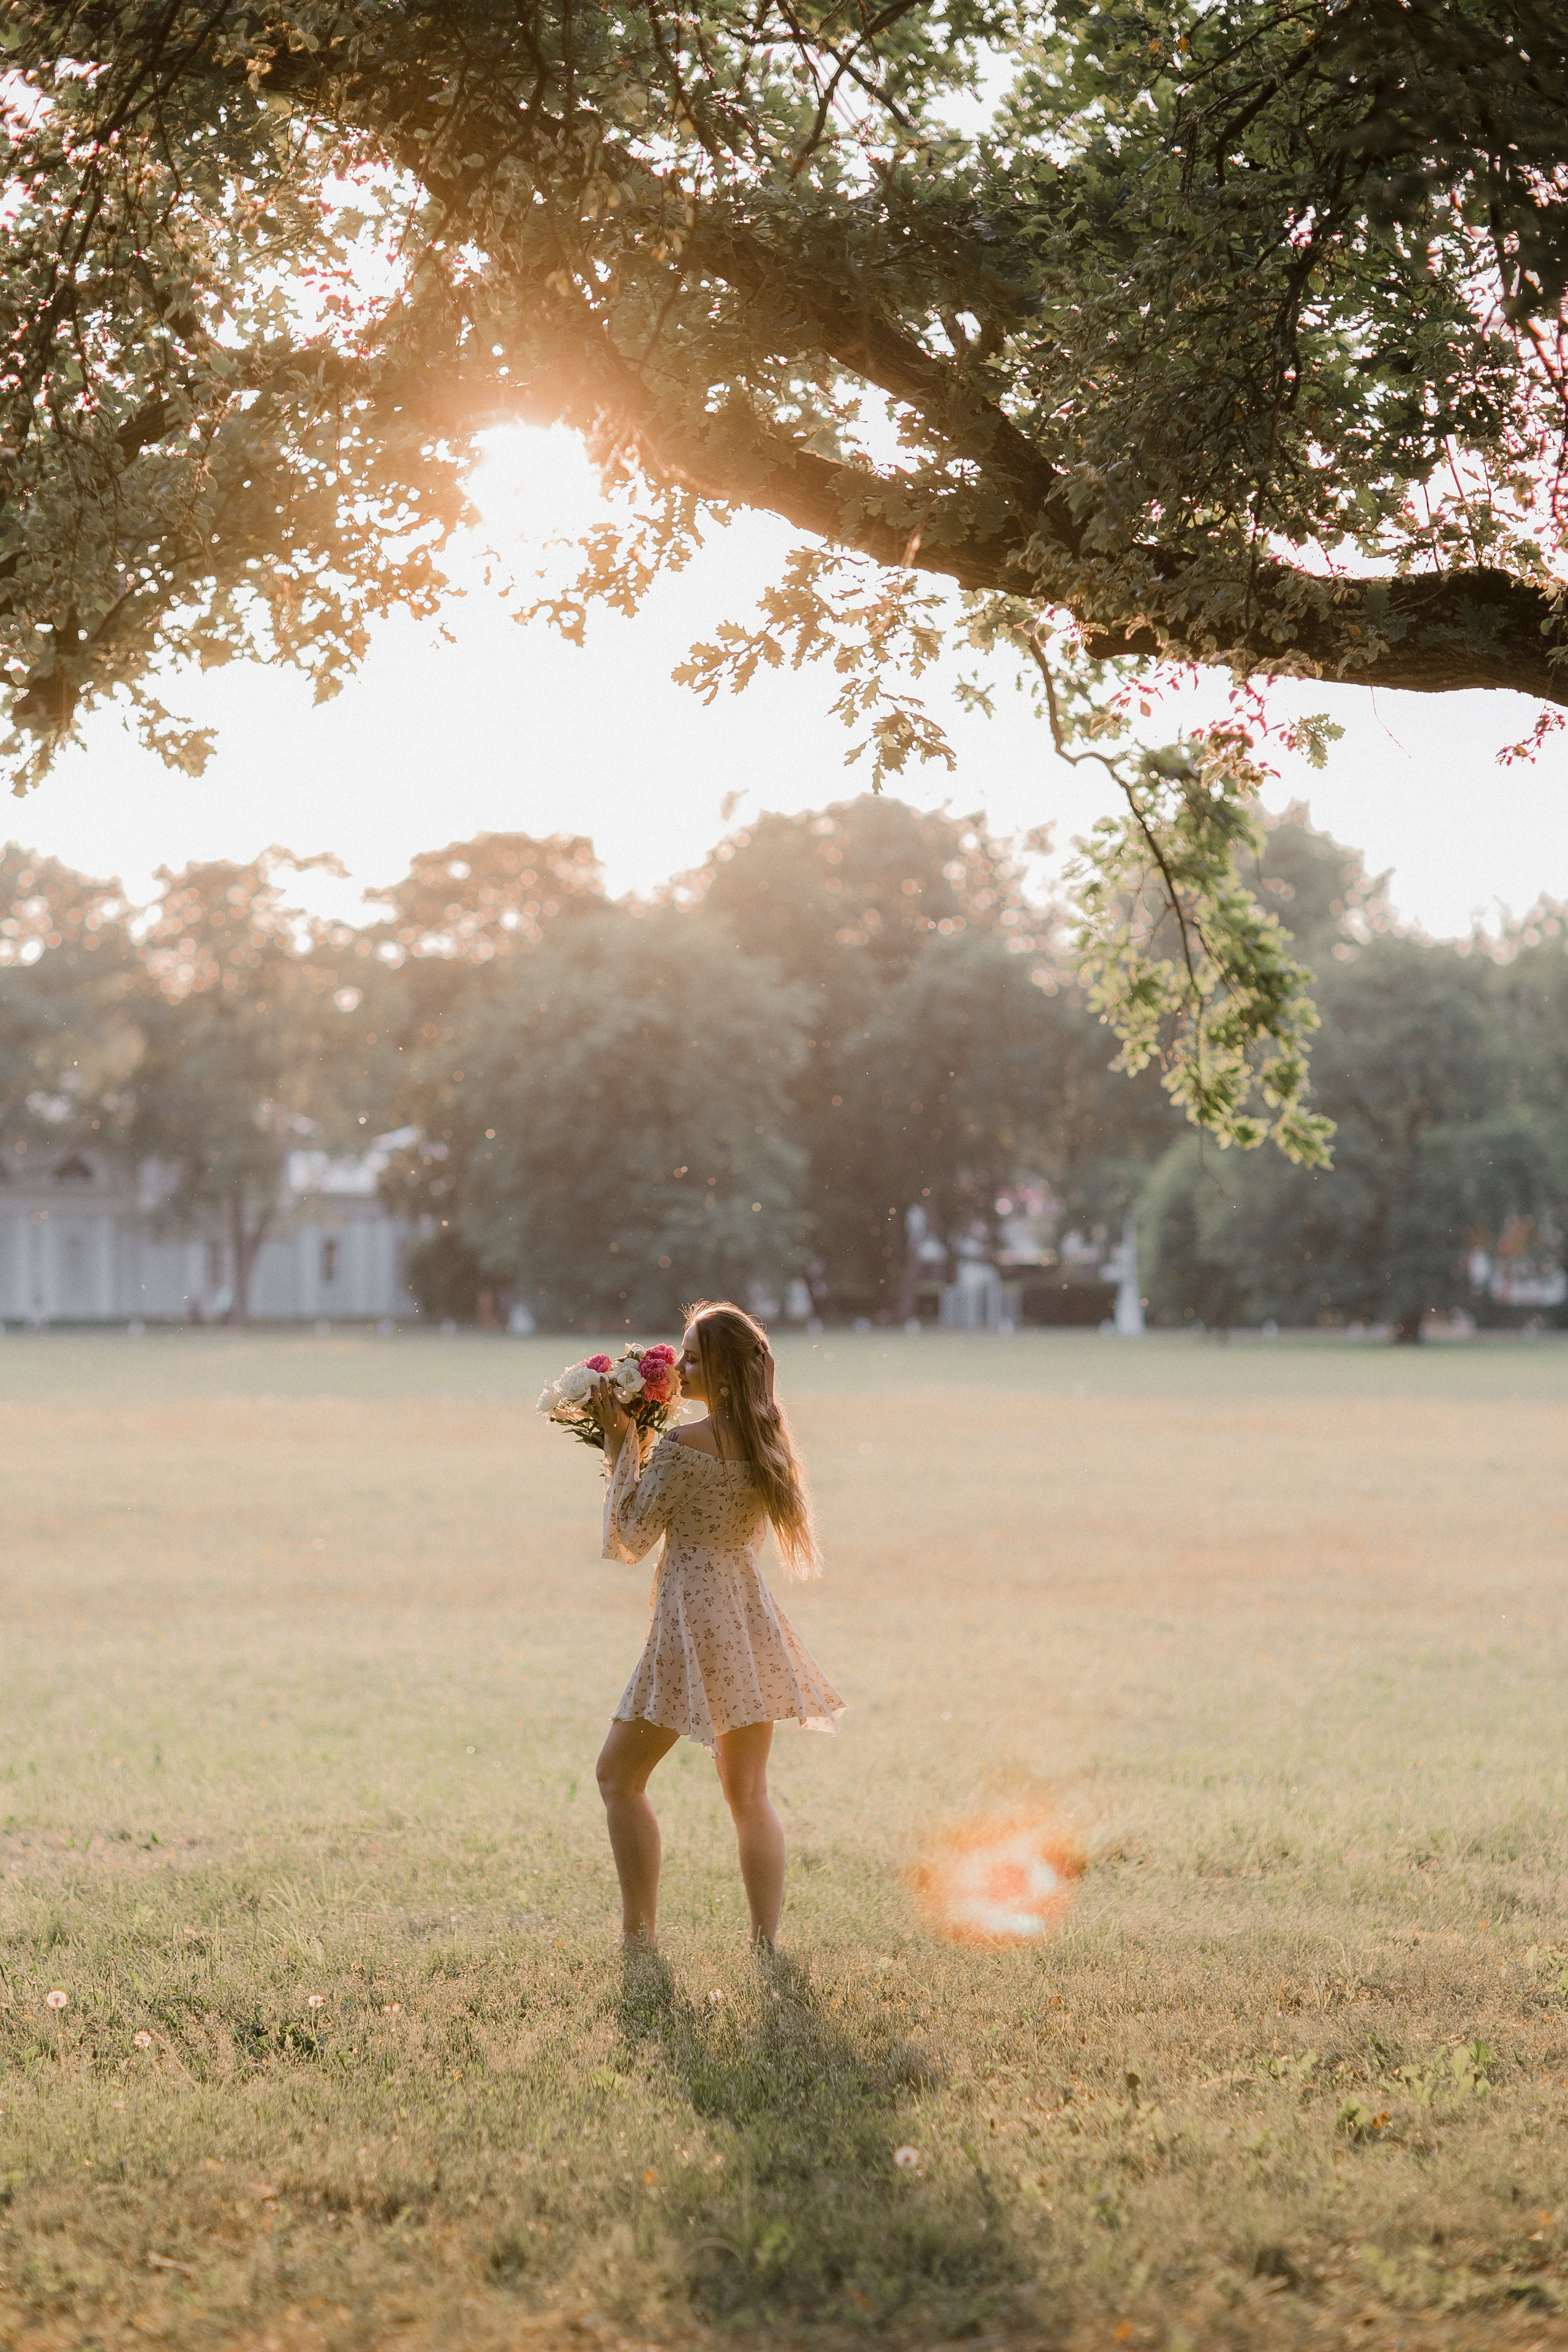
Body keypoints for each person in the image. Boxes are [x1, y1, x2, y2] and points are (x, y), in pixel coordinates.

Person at [589, 1299, 843, 1953]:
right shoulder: (768, 1441)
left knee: (618, 1777)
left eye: (695, 1358)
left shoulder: (683, 1447)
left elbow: (631, 1537)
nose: (681, 1367)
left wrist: (621, 1441)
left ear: (726, 1372)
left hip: (692, 1622)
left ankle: (638, 1939)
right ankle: (765, 1944)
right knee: (749, 1794)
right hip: (747, 1617)